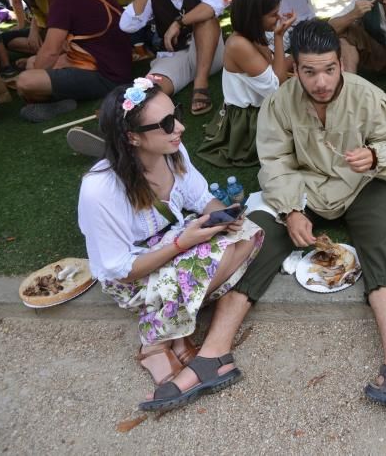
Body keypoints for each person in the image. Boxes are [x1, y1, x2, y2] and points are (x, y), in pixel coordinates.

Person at [230, 19, 386, 421]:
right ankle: (214, 355)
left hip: (362, 184)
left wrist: (375, 156)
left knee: (385, 243)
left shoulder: (368, 96)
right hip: (306, 186)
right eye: (309, 71)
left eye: (330, 69)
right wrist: (292, 208)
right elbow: (275, 161)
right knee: (261, 239)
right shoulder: (280, 102)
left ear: (340, 63)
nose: (321, 82)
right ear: (295, 68)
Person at [78, 77, 263, 412]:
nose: (178, 126)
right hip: (133, 276)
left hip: (172, 242)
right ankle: (159, 339)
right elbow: (120, 272)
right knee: (215, 256)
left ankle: (173, 325)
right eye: (165, 124)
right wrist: (181, 243)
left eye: (175, 113)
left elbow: (202, 198)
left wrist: (225, 217)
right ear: (132, 137)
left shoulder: (172, 152)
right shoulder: (99, 190)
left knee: (248, 236)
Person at [15, 0, 131, 121]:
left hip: (106, 76)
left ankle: (55, 102)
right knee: (32, 62)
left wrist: (35, 77)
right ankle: (60, 98)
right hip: (115, 67)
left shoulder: (64, 3)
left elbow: (50, 52)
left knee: (25, 81)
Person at [120, 0, 225, 116]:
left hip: (208, 54)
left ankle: (200, 85)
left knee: (206, 19)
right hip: (174, 56)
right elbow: (127, 25)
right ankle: (119, 116)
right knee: (145, 92)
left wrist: (179, 23)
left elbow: (216, 5)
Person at [196, 0, 293, 168]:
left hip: (261, 106)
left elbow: (274, 66)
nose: (278, 17)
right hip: (250, 120)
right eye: (273, 15)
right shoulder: (239, 44)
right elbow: (276, 87)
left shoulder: (251, 35)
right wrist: (279, 37)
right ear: (255, 17)